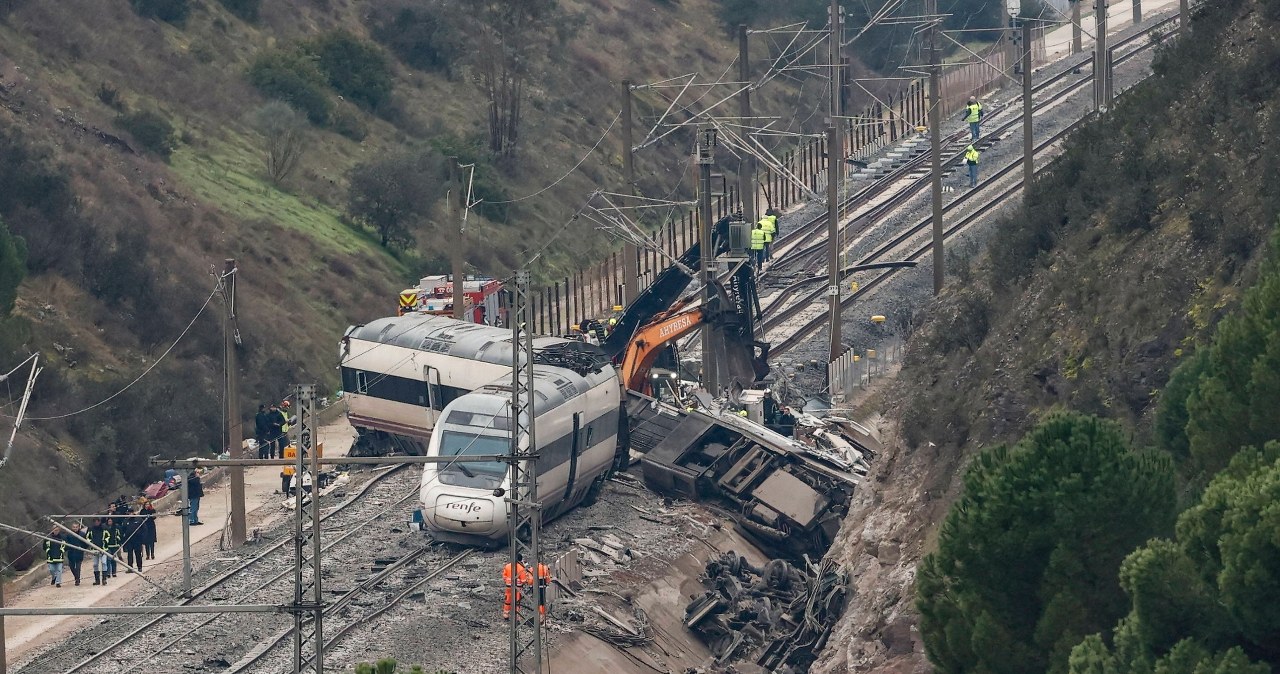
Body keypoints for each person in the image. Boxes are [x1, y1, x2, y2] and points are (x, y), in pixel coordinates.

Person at [502, 553, 533, 620]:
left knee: (507, 600)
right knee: (517, 601)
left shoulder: (507, 566)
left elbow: (504, 576)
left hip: (508, 586)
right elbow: (523, 580)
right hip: (517, 588)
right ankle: (516, 616)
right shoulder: (520, 567)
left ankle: (506, 614)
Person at [63, 520, 86, 586]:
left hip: (79, 553)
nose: (75, 528)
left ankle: (77, 579)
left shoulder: (82, 534)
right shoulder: (69, 534)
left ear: (79, 527)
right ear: (72, 528)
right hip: (71, 553)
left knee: (78, 567)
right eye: (74, 527)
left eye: (76, 527)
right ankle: (76, 577)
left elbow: (86, 543)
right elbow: (66, 543)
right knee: (72, 567)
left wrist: (82, 548)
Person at [88, 518, 110, 585]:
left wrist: (104, 544)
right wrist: (91, 544)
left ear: (100, 522)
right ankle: (97, 580)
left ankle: (104, 579)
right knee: (95, 564)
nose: (96, 523)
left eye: (98, 521)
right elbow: (88, 538)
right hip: (94, 549)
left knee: (104, 563)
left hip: (103, 549)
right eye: (95, 521)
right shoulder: (90, 529)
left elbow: (108, 537)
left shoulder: (104, 528)